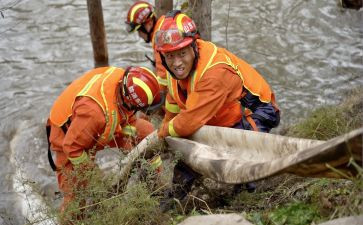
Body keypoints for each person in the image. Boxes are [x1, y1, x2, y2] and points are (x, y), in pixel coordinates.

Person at [154, 11, 280, 204]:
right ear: (163, 56)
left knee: (239, 153)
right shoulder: (173, 69)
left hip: (257, 112)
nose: (177, 62)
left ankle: (250, 197)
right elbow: (173, 103)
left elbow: (188, 122)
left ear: (194, 47)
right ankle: (173, 200)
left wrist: (164, 132)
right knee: (186, 163)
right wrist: (167, 123)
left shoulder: (214, 71)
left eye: (182, 53)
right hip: (218, 113)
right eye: (170, 56)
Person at [46, 66, 162, 215]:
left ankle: (155, 186)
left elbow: (125, 116)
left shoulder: (124, 81)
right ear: (129, 102)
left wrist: (133, 152)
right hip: (68, 135)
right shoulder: (94, 113)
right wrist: (95, 176)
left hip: (102, 119)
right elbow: (72, 147)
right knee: (77, 194)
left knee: (146, 132)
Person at [125, 1, 168, 93]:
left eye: (139, 31)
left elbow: (163, 81)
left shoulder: (159, 42)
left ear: (148, 24)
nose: (139, 36)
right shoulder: (164, 24)